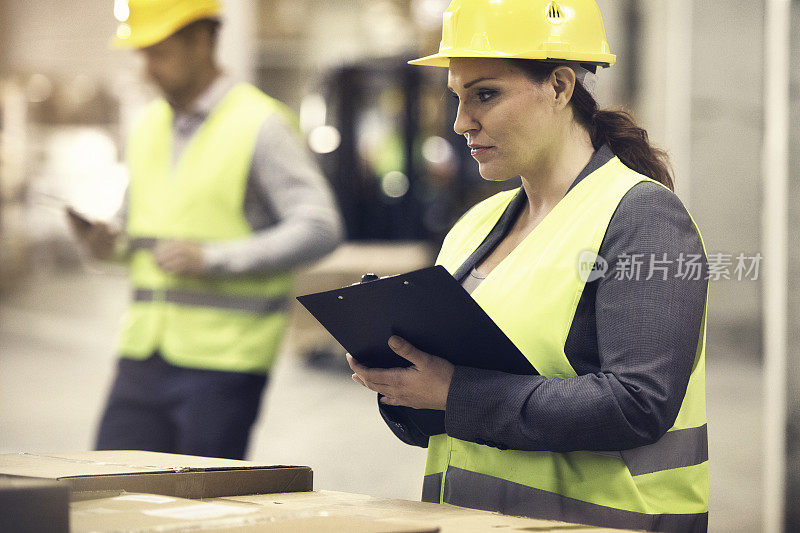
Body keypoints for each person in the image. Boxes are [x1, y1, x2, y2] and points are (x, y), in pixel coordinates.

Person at [347, 0, 708, 531]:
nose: (461, 122)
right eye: (457, 97)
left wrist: (454, 391)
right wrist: (399, 381)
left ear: (560, 87)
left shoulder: (642, 218)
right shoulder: (475, 226)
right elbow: (443, 417)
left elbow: (638, 404)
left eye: (486, 94)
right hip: (472, 518)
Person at [68, 0, 343, 460]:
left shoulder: (260, 125)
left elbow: (320, 227)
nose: (147, 68)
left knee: (198, 511)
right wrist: (105, 245)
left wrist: (213, 259)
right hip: (143, 351)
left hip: (224, 362)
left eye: (159, 52)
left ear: (201, 40)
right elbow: (136, 231)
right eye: (143, 54)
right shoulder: (150, 126)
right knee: (107, 490)